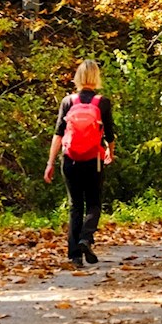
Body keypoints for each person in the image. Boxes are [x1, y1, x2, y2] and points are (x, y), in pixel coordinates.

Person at [44, 60, 116, 268]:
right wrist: (110, 152)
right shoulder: (102, 102)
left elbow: (58, 134)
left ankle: (75, 256)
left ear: (77, 77)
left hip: (70, 159)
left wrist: (50, 163)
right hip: (94, 161)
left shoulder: (68, 101)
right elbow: (109, 133)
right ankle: (86, 237)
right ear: (96, 77)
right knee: (94, 203)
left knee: (75, 205)